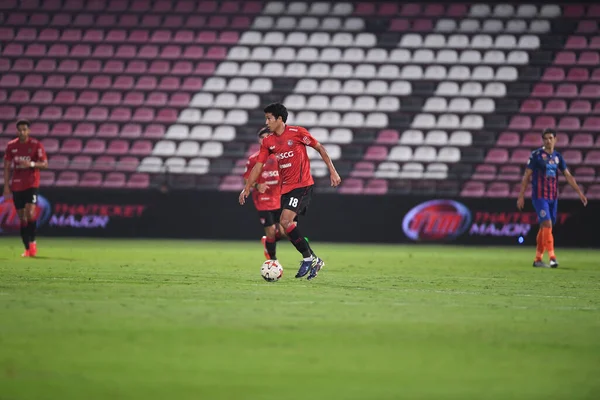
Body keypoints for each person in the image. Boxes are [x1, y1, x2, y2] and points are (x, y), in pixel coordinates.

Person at [239, 103, 342, 280]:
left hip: (302, 185)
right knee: (287, 227)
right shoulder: (268, 141)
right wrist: (247, 188)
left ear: (279, 119)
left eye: (269, 118)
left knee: (285, 221)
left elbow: (320, 148)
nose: (267, 121)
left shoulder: (298, 133)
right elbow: (258, 166)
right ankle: (314, 259)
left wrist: (333, 171)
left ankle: (309, 258)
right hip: (285, 188)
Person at [517, 128, 587, 268]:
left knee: (545, 227)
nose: (548, 141)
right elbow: (526, 176)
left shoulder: (558, 157)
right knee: (547, 224)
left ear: (555, 139)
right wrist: (521, 196)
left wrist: (579, 192)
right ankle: (552, 258)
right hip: (539, 197)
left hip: (553, 197)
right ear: (543, 140)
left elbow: (568, 175)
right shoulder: (536, 155)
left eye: (550, 138)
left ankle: (537, 259)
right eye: (546, 138)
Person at [3, 119, 48, 257]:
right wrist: (6, 186)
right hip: (17, 184)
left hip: (31, 183)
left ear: (28, 131)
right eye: (20, 130)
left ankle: (33, 243)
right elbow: (7, 166)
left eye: (24, 129)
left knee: (30, 213)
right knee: (22, 218)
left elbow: (44, 164)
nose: (22, 132)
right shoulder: (11, 146)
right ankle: (27, 247)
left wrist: (31, 164)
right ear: (17, 131)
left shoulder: (35, 145)